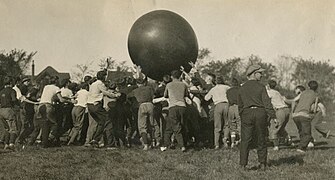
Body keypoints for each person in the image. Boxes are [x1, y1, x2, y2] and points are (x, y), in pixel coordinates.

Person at [237, 64, 276, 170]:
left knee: (245, 140)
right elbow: (267, 103)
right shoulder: (261, 87)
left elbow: (240, 104)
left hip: (246, 113)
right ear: (254, 74)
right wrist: (273, 115)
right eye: (260, 73)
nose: (262, 75)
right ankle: (262, 163)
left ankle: (243, 165)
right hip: (260, 113)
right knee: (261, 138)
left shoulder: (242, 87)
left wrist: (243, 113)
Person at [86, 70, 120, 147]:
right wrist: (115, 95)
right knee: (108, 121)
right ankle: (110, 144)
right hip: (96, 105)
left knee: (101, 123)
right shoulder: (100, 84)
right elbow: (106, 92)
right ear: (104, 76)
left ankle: (95, 140)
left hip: (90, 106)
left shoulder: (93, 84)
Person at [161, 70, 189, 152]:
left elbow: (165, 95)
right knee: (183, 125)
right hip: (182, 106)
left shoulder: (169, 85)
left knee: (176, 126)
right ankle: (184, 143)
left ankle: (182, 145)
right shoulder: (183, 85)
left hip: (173, 107)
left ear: (172, 77)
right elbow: (186, 94)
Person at [130, 77, 158, 150]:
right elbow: (155, 94)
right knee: (152, 124)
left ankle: (145, 144)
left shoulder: (135, 90)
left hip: (142, 105)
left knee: (142, 126)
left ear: (137, 83)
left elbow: (128, 96)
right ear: (144, 83)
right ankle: (153, 141)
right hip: (150, 105)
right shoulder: (149, 88)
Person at [292, 80, 320, 153]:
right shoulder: (316, 95)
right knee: (307, 134)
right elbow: (314, 108)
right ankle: (301, 148)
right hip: (304, 115)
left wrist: (293, 111)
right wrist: (313, 113)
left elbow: (294, 100)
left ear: (308, 86)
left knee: (301, 131)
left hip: (295, 115)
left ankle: (304, 145)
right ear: (317, 88)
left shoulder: (303, 93)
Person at [204, 76, 230, 149]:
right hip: (226, 105)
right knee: (227, 124)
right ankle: (225, 139)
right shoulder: (227, 87)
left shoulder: (213, 89)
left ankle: (217, 144)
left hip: (217, 105)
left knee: (217, 125)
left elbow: (206, 98)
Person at [266, 80, 291, 150]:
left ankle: (276, 146)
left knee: (274, 129)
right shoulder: (277, 92)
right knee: (281, 128)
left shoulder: (269, 92)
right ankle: (289, 139)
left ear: (268, 85)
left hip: (280, 110)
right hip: (286, 110)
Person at [0, 76, 19, 150]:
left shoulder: (1, 91)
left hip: (1, 110)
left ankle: (6, 144)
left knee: (6, 128)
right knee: (13, 128)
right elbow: (14, 100)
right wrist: (18, 103)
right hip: (9, 110)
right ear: (11, 82)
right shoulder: (12, 91)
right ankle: (12, 144)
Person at [226, 78, 241, 148]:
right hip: (238, 107)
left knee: (232, 125)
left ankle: (232, 142)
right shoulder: (240, 90)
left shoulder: (228, 91)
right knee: (240, 124)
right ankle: (240, 140)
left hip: (231, 107)